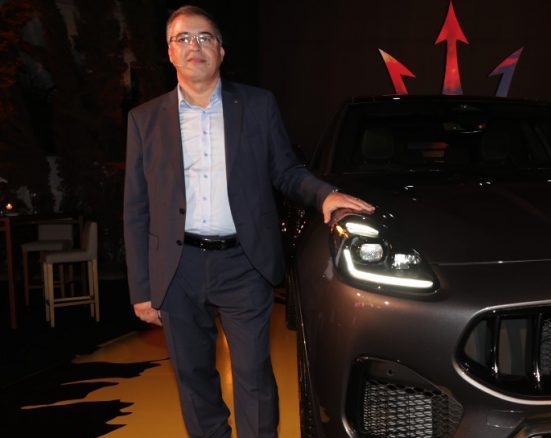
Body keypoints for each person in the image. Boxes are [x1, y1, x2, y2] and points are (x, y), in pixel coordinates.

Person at [123, 6, 374, 438]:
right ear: (170, 53)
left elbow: (286, 171)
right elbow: (136, 206)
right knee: (193, 377)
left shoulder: (257, 105)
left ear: (221, 50)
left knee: (254, 374)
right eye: (183, 38)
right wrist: (142, 288)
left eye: (205, 37)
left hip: (243, 262)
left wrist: (325, 195)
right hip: (176, 269)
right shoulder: (144, 119)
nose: (195, 46)